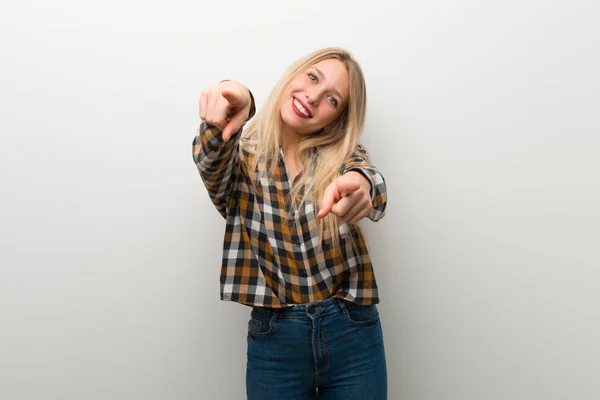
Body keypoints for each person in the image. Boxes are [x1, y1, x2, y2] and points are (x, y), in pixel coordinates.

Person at [192, 47, 388, 399]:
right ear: (294, 74)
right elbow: (210, 160)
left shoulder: (341, 156)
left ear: (337, 118)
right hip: (275, 342)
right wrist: (241, 99)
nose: (312, 97)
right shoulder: (242, 159)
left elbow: (367, 177)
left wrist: (361, 186)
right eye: (312, 78)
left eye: (332, 99)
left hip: (353, 332)